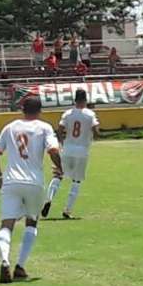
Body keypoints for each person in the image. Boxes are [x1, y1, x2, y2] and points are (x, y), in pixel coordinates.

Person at [0, 96, 63, 283]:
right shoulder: (44, 127)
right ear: (40, 110)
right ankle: (20, 266)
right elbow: (53, 151)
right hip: (34, 182)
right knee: (32, 222)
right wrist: (60, 168)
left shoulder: (10, 127)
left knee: (7, 224)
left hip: (11, 181)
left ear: (22, 109)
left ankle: (5, 260)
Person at [43, 89, 100, 220]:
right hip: (82, 150)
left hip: (68, 148)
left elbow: (60, 129)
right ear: (85, 100)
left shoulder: (67, 114)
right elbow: (96, 131)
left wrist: (62, 143)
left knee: (58, 175)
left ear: (75, 100)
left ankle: (48, 199)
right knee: (76, 181)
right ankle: (67, 210)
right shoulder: (90, 114)